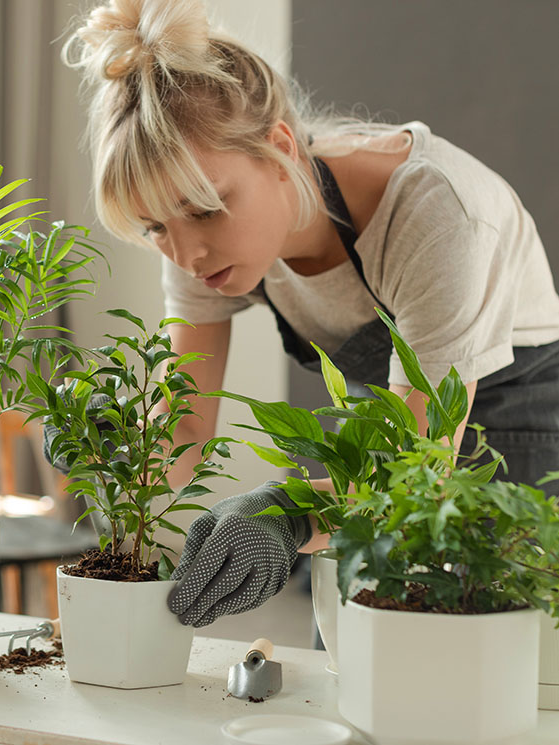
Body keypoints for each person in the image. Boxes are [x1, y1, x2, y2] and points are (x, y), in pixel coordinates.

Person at [58, 0, 559, 628]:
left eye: (207, 208)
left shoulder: (438, 216)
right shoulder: (202, 248)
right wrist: (110, 450)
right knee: (353, 688)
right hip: (382, 454)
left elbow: (419, 479)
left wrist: (289, 513)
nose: (185, 254)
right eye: (156, 225)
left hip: (510, 445)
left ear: (279, 150)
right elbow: (183, 434)